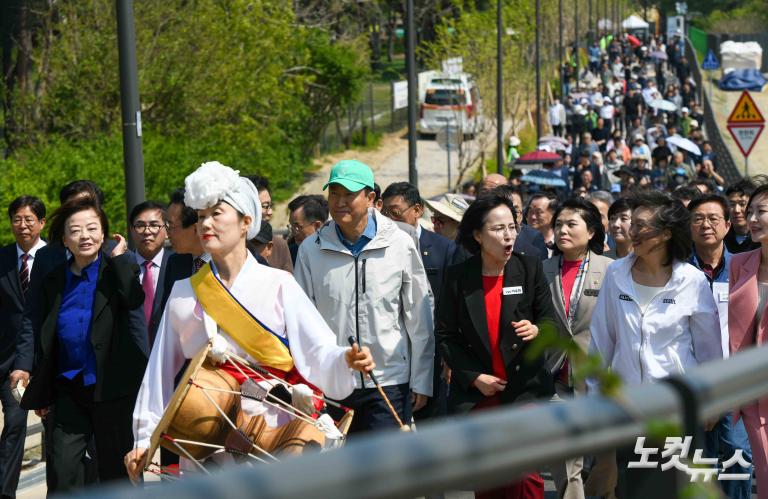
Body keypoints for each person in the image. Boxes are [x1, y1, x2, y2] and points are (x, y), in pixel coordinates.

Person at [126, 161, 375, 478]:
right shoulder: (183, 292)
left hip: (274, 432)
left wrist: (345, 359)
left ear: (246, 222)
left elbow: (318, 350)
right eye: (201, 216)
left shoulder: (279, 284)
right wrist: (144, 438)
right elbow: (159, 374)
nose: (205, 224)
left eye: (217, 214)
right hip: (205, 439)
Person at [588, 191, 722, 495]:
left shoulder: (691, 280)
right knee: (630, 488)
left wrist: (712, 401)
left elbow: (709, 348)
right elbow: (601, 342)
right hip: (625, 407)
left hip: (674, 408)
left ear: (664, 234)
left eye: (641, 226)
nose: (631, 232)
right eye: (631, 224)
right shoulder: (615, 273)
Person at [294, 160, 434, 433]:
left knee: (387, 470)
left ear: (371, 198)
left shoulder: (399, 243)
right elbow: (302, 321)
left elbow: (419, 315)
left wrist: (421, 379)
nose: (340, 202)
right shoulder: (311, 249)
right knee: (337, 471)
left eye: (349, 194)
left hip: (389, 381)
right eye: (334, 193)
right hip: (332, 382)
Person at [20, 197, 148, 492]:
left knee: (117, 473)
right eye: (75, 231)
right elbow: (45, 332)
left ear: (103, 233)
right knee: (63, 471)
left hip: (112, 389)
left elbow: (133, 298)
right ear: (64, 240)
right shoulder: (55, 279)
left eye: (92, 228)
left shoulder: (118, 267)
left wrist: (118, 259)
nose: (85, 236)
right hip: (69, 387)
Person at [435, 194, 554, 498]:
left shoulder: (529, 268)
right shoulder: (459, 277)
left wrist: (537, 329)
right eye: (498, 229)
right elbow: (446, 335)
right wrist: (474, 376)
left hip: (523, 389)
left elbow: (550, 321)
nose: (508, 235)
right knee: (491, 480)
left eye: (512, 227)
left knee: (525, 476)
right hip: (481, 394)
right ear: (477, 235)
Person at [542, 198, 615, 499]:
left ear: (592, 231)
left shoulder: (612, 270)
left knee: (607, 454)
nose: (563, 230)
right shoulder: (541, 269)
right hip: (556, 375)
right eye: (558, 224)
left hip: (600, 375)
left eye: (571, 224)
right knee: (565, 455)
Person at [687, 194, 753, 499]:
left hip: (734, 380)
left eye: (714, 219)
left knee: (738, 454)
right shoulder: (677, 272)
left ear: (728, 225)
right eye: (698, 219)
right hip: (691, 380)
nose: (706, 225)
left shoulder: (744, 268)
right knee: (699, 462)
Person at [382, 182, 455, 419]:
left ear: (417, 210)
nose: (389, 220)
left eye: (395, 213)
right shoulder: (381, 247)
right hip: (395, 352)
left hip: (433, 350)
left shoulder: (442, 248)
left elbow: (450, 301)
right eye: (384, 213)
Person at [0, 196, 46, 498]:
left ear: (41, 223)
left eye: (29, 219)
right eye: (17, 218)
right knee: (14, 425)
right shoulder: (3, 259)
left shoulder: (56, 257)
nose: (23, 225)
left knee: (48, 431)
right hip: (6, 360)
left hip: (45, 359)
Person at [728, 183, 768, 499]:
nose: (751, 217)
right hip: (753, 390)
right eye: (749, 210)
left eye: (761, 211)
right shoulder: (740, 264)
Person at [129, 201, 172, 344]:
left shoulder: (179, 266)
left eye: (154, 225)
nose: (147, 231)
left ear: (166, 230)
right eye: (140, 225)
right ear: (131, 230)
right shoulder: (121, 267)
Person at [246, 175, 293, 272]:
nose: (270, 212)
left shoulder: (280, 246)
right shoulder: (229, 245)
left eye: (270, 206)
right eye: (265, 206)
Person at [287, 195, 328, 265]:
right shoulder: (290, 254)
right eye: (291, 226)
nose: (294, 232)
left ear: (317, 226)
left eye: (298, 227)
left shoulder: (335, 252)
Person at [725, 178, 760, 254]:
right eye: (732, 204)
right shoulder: (721, 236)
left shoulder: (762, 239)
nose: (736, 210)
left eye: (742, 204)